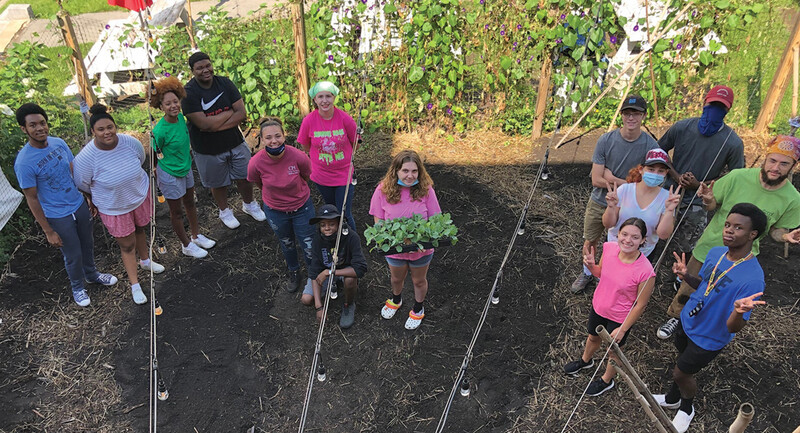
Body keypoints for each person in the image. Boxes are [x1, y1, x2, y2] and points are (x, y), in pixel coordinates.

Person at [656, 136, 800, 339]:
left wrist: (786, 236)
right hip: (709, 246)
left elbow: (776, 230)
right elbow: (712, 203)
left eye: (784, 163)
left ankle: (703, 325)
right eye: (772, 160)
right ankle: (676, 317)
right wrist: (707, 200)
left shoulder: (793, 199)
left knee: (718, 295)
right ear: (765, 159)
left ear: (793, 165)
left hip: (740, 259)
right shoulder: (738, 177)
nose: (776, 167)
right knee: (689, 285)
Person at [653, 203, 768, 433]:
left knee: (681, 372)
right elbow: (705, 287)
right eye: (727, 225)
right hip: (688, 321)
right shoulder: (716, 253)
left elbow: (733, 327)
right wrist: (687, 276)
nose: (729, 230)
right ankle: (672, 398)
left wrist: (738, 311)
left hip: (710, 336)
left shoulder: (753, 278)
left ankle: (686, 408)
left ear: (752, 234)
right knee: (681, 360)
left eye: (738, 227)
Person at [13, 103, 118, 307]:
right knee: (73, 253)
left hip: (77, 204)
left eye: (42, 123)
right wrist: (48, 231)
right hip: (57, 214)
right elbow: (32, 198)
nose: (40, 128)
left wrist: (87, 195)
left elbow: (74, 170)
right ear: (24, 129)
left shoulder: (58, 143)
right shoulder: (24, 162)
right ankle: (77, 287)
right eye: (33, 125)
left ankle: (92, 274)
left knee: (87, 243)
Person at [72, 105, 165, 305]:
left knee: (141, 228)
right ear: (93, 132)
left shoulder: (130, 143)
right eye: (101, 129)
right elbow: (82, 183)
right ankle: (135, 285)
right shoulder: (85, 159)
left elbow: (141, 159)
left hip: (138, 196)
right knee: (127, 244)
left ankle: (146, 261)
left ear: (115, 126)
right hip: (113, 207)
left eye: (110, 127)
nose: (107, 132)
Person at [571, 94, 659, 293]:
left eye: (636, 114)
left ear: (643, 116)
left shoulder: (650, 146)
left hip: (629, 204)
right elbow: (596, 179)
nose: (631, 118)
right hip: (600, 200)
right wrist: (629, 183)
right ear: (621, 115)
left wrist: (612, 179)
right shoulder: (606, 140)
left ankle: (617, 279)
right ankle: (587, 272)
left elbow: (649, 182)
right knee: (591, 238)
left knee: (623, 243)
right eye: (627, 113)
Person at [658, 85, 744, 289]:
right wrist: (675, 174)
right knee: (658, 230)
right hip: (670, 191)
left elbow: (735, 177)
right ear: (704, 103)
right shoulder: (682, 127)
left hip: (698, 200)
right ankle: (650, 266)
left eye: (720, 107)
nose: (714, 110)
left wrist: (700, 185)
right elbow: (659, 152)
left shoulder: (732, 143)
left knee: (689, 241)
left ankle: (680, 275)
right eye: (712, 105)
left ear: (727, 110)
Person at [563, 218, 656, 396]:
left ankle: (607, 380)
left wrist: (623, 329)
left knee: (613, 351)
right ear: (618, 234)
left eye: (635, 237)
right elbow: (601, 272)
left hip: (620, 317)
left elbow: (641, 304)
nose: (628, 240)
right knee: (592, 337)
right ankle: (585, 361)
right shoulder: (610, 248)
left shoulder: (646, 271)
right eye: (624, 234)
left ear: (643, 240)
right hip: (599, 306)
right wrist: (591, 266)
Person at [181, 51, 265, 229]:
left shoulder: (224, 83)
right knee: (218, 183)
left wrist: (213, 125)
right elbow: (202, 124)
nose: (205, 70)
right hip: (207, 148)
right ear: (192, 71)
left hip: (234, 141)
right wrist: (227, 114)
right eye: (200, 68)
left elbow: (241, 113)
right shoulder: (188, 93)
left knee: (244, 176)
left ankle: (249, 204)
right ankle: (224, 211)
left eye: (207, 65)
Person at [370, 150, 441, 330]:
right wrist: (383, 238)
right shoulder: (383, 190)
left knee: (419, 280)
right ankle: (396, 299)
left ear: (420, 172)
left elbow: (435, 220)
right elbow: (378, 220)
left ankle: (418, 308)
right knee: (396, 278)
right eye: (405, 171)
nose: (410, 176)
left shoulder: (426, 189)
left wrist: (423, 238)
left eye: (414, 171)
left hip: (421, 250)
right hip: (395, 249)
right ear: (396, 171)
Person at [150, 76, 216, 258]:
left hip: (186, 168)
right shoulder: (159, 131)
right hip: (170, 173)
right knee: (176, 211)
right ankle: (186, 244)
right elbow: (154, 153)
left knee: (190, 203)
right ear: (161, 107)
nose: (173, 106)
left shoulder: (180, 118)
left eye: (175, 101)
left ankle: (195, 236)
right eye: (168, 103)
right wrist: (156, 171)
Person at [247, 118, 315, 292]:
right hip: (275, 211)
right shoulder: (255, 163)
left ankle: (314, 274)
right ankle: (294, 271)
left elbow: (306, 176)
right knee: (287, 243)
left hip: (302, 208)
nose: (274, 140)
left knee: (308, 243)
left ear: (284, 136)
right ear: (261, 140)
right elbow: (258, 183)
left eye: (278, 136)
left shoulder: (298, 156)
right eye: (268, 137)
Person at [297, 81, 358, 232]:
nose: (325, 100)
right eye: (321, 97)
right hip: (322, 175)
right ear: (315, 100)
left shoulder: (344, 118)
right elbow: (305, 144)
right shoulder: (309, 121)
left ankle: (352, 244)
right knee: (331, 211)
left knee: (344, 213)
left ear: (334, 97)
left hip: (344, 173)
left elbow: (356, 141)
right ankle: (335, 242)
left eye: (328, 96)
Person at [603, 149, 681, 257]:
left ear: (666, 173)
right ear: (641, 169)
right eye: (651, 169)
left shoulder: (667, 198)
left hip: (643, 255)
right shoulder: (624, 190)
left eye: (661, 171)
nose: (655, 174)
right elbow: (608, 224)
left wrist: (669, 210)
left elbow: (663, 234)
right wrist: (610, 207)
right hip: (615, 249)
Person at [303, 204, 368, 329]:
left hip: (343, 271)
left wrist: (330, 272)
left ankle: (348, 305)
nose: (327, 228)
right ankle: (331, 288)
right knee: (306, 299)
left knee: (350, 280)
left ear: (339, 223)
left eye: (331, 224)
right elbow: (314, 272)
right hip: (325, 272)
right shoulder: (317, 240)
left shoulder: (351, 237)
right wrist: (319, 307)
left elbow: (361, 268)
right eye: (323, 225)